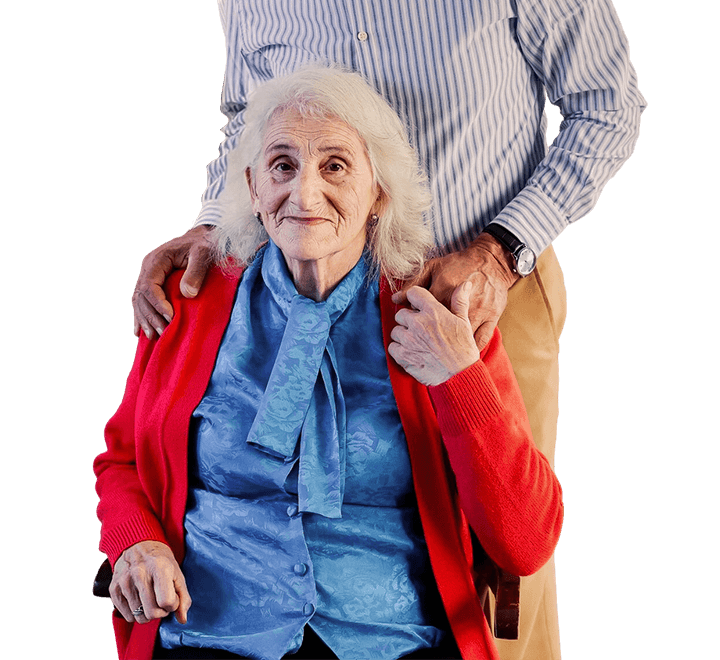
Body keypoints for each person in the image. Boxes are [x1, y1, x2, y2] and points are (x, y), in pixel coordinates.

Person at [130, 0, 646, 660]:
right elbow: (250, 120)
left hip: (480, 290)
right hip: (308, 289)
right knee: (300, 514)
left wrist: (498, 250)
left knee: (500, 566)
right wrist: (211, 221)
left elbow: (609, 105)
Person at [95, 67, 563, 660]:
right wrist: (137, 542)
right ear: (253, 188)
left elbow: (525, 543)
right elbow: (122, 461)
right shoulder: (190, 300)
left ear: (379, 194)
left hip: (389, 640)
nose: (305, 194)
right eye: (283, 166)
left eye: (335, 166)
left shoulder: (441, 313)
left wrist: (459, 378)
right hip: (212, 629)